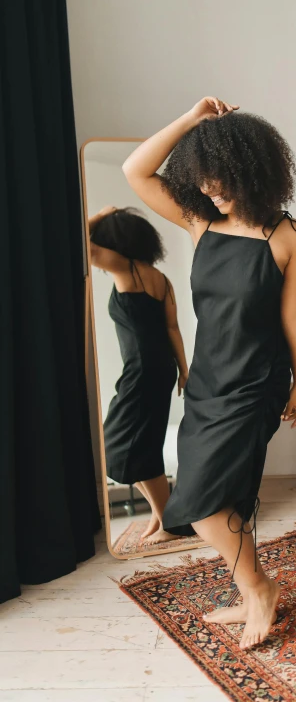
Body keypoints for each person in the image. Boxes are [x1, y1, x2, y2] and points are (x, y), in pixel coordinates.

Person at [122, 97, 296, 649]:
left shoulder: (288, 234)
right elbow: (138, 170)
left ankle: (260, 589)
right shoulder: (201, 223)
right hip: (208, 379)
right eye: (202, 182)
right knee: (223, 492)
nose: (209, 192)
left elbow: (295, 315)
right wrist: (190, 119)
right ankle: (250, 591)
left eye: (220, 181)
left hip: (257, 380)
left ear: (253, 171)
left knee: (202, 501)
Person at [89, 206, 189, 544]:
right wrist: (183, 370)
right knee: (132, 445)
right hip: (157, 369)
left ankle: (172, 525)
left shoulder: (125, 271)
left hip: (144, 371)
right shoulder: (159, 278)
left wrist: (99, 216)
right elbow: (172, 328)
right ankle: (161, 517)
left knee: (135, 448)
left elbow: (78, 244)